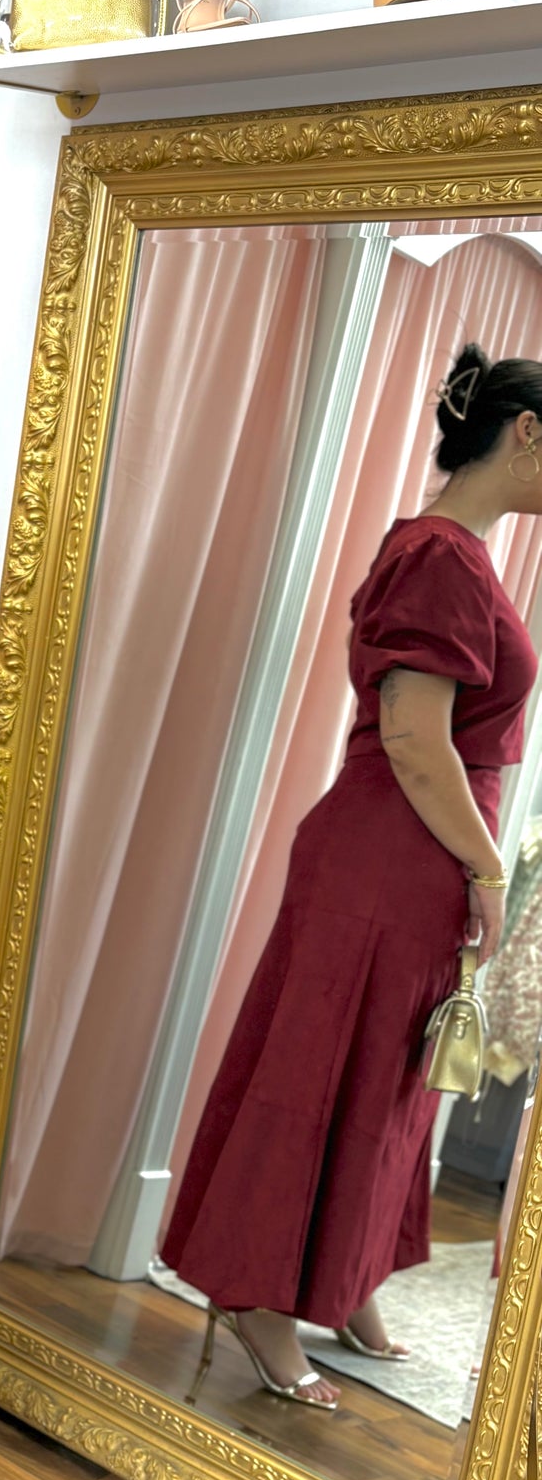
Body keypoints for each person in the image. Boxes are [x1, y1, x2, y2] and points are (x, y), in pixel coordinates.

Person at [164, 341, 542, 1411]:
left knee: (389, 1082)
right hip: (388, 851)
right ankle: (260, 1296)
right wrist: (489, 871)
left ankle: (344, 1278)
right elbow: (415, 738)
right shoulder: (440, 558)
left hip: (413, 855)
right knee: (324, 1071)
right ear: (527, 433)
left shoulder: (455, 554)